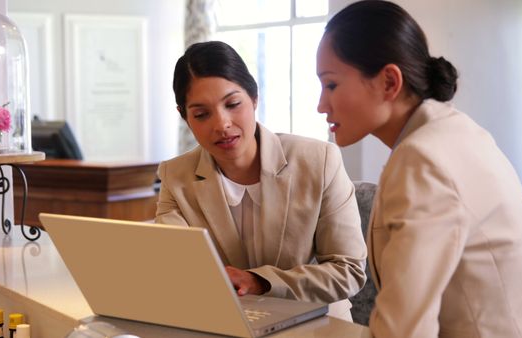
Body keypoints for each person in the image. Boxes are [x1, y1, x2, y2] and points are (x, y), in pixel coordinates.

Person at [317, 1, 522, 337]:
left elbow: (404, 331)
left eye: (331, 85)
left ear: (389, 81)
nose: (321, 105)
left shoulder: (423, 160)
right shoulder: (455, 132)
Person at [155, 40, 367, 320]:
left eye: (232, 104)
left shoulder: (319, 160)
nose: (222, 124)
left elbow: (347, 271)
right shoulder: (175, 176)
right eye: (202, 114)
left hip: (315, 321)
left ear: (254, 98)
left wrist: (260, 282)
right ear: (185, 117)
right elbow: (173, 264)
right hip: (224, 322)